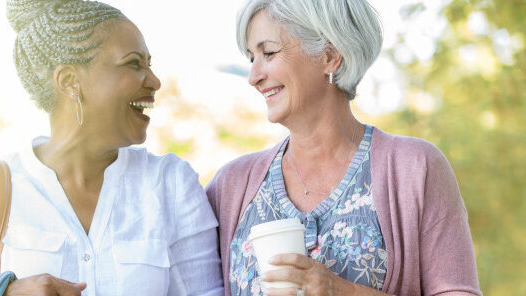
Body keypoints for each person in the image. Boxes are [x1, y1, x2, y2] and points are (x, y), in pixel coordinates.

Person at [0, 0, 224, 295]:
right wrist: (3, 292)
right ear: (70, 81)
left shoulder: (171, 185)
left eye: (149, 64)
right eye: (133, 63)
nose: (154, 81)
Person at [205, 0, 481, 295]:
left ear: (330, 55)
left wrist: (341, 290)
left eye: (268, 53)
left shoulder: (415, 168)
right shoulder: (229, 187)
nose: (253, 77)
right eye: (251, 58)